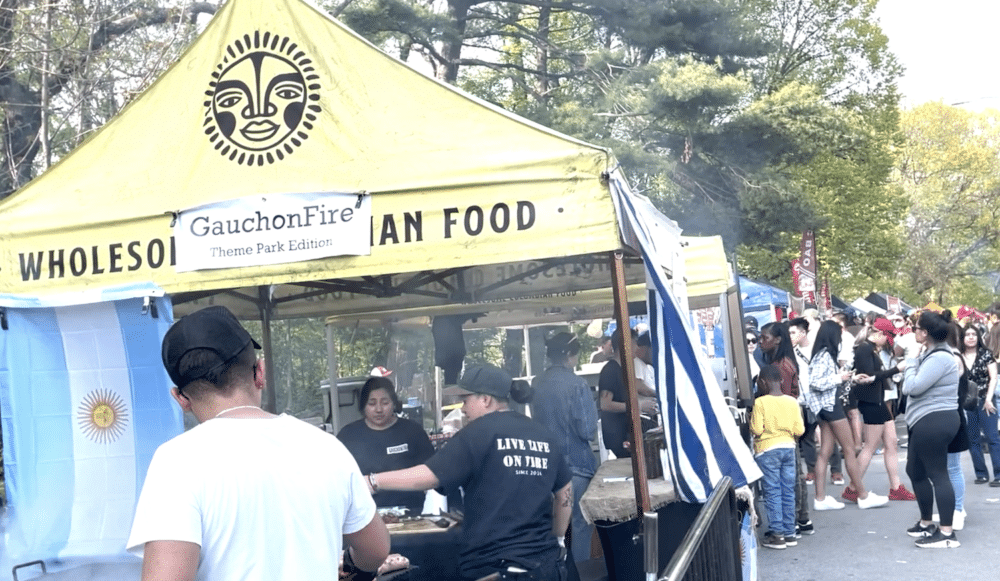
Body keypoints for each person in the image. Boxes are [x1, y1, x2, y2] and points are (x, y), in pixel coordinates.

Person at [127, 306, 389, 581]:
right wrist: (348, 563)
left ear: (181, 399)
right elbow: (376, 549)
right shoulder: (327, 447)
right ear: (259, 373)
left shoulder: (177, 461)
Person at [368, 364, 573, 581]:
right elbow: (565, 492)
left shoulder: (476, 433)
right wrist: (558, 537)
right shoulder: (542, 434)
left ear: (486, 400)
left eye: (465, 400)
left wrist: (373, 480)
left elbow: (428, 476)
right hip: (546, 566)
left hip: (494, 567)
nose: (463, 409)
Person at [532, 332, 600, 568]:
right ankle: (579, 573)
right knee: (580, 523)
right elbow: (587, 430)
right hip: (576, 466)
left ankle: (554, 571)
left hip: (545, 467)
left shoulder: (537, 383)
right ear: (570, 355)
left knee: (553, 527)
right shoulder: (578, 385)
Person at [804, 320, 888, 510]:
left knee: (825, 451)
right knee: (849, 449)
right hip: (830, 407)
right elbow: (816, 382)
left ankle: (820, 498)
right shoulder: (824, 355)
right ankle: (863, 495)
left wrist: (849, 377)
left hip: (824, 407)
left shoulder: (820, 355)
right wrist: (838, 378)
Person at [902, 310, 962, 548]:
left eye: (916, 328)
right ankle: (927, 522)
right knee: (915, 470)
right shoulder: (932, 353)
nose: (913, 331)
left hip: (935, 420)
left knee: (938, 474)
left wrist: (910, 362)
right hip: (926, 420)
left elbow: (913, 387)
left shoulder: (940, 357)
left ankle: (947, 534)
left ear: (925, 333)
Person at [337, 375, 436, 514]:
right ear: (363, 406)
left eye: (385, 403)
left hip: (411, 514)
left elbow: (431, 471)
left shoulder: (412, 432)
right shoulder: (348, 435)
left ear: (394, 403)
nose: (378, 409)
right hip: (364, 516)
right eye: (372, 403)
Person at [852, 318, 915, 501]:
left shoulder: (870, 349)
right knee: (870, 447)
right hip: (872, 401)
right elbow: (870, 377)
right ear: (878, 334)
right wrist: (896, 369)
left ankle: (896, 486)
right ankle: (853, 488)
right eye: (888, 337)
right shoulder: (865, 349)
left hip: (878, 400)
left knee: (891, 443)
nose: (890, 341)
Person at [751, 365, 805, 550]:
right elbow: (800, 430)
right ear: (782, 381)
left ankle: (777, 535)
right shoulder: (792, 402)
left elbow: (757, 429)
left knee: (772, 492)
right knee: (788, 491)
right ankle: (790, 533)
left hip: (767, 451)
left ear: (762, 382)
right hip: (788, 448)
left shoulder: (760, 403)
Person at [599, 327, 657, 458]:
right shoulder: (610, 370)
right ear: (625, 344)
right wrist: (638, 406)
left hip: (626, 432)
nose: (637, 347)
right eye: (634, 342)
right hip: (619, 436)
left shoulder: (623, 370)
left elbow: (637, 388)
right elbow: (605, 404)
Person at [959, 324, 1000, 486]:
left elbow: (993, 378)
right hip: (967, 402)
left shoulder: (986, 355)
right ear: (962, 338)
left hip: (985, 400)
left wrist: (989, 399)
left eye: (973, 334)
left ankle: (998, 474)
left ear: (978, 337)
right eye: (967, 334)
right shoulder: (958, 356)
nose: (970, 337)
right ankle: (981, 473)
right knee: (973, 439)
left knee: (992, 437)